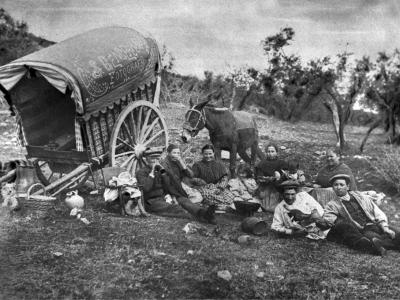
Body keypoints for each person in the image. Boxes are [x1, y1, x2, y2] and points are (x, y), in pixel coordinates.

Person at [312, 174, 400, 256]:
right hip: (363, 229)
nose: (338, 187)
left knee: (396, 233)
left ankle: (384, 244)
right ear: (333, 188)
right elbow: (329, 220)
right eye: (336, 185)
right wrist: (319, 219)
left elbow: (377, 211)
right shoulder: (332, 205)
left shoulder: (360, 196)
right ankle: (380, 245)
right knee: (373, 238)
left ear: (348, 186)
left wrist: (385, 227)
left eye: (341, 185)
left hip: (375, 223)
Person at [136, 152, 216, 224]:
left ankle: (204, 213)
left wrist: (171, 195)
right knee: (174, 208)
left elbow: (168, 185)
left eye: (157, 158)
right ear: (146, 159)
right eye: (152, 158)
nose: (155, 161)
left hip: (164, 196)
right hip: (152, 201)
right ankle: (196, 217)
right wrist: (152, 173)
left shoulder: (160, 170)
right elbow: (146, 188)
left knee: (184, 200)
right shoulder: (141, 172)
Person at [191, 144, 235, 209]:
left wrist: (220, 188)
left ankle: (217, 205)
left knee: (229, 196)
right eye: (206, 154)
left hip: (217, 186)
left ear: (213, 153)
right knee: (207, 195)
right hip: (204, 187)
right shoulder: (197, 165)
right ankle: (217, 206)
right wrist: (200, 182)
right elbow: (193, 178)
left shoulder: (219, 164)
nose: (208, 156)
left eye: (210, 153)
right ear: (202, 154)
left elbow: (224, 178)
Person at [255, 144, 289, 212]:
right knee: (268, 207)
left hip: (279, 187)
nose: (270, 153)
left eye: (272, 151)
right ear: (266, 153)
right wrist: (265, 179)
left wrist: (280, 177)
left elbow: (287, 175)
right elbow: (258, 177)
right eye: (268, 151)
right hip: (266, 187)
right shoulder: (262, 163)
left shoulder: (282, 163)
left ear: (276, 152)